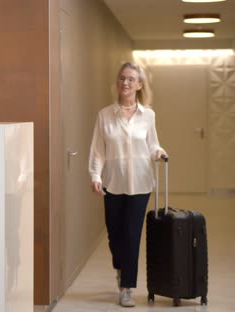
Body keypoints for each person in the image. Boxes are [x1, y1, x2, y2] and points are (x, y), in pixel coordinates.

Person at [88, 62, 167, 308]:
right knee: (114, 234)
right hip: (113, 182)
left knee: (132, 235)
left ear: (139, 85)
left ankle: (127, 288)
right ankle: (121, 268)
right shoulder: (105, 115)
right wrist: (95, 175)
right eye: (122, 78)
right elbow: (98, 149)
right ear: (117, 82)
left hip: (140, 183)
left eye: (131, 79)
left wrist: (159, 152)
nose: (125, 83)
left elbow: (152, 144)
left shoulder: (148, 115)